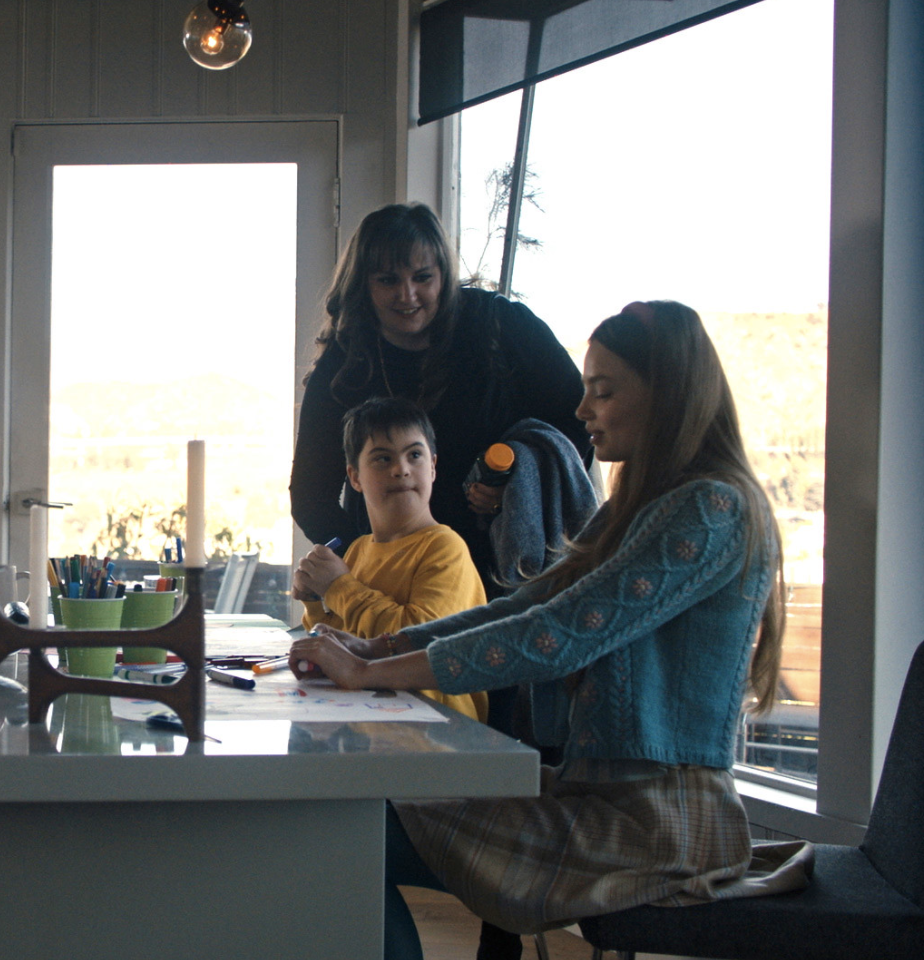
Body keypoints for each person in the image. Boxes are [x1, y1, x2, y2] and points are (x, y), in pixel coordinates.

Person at [289, 301, 809, 959]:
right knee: (353, 820)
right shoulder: (638, 507)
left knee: (350, 829)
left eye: (603, 391)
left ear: (668, 393)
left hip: (661, 830)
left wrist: (370, 670)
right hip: (603, 802)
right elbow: (528, 605)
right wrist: (380, 647)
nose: (581, 409)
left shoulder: (711, 508)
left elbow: (556, 634)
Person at [290, 202, 591, 600]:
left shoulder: (501, 327)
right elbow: (310, 495)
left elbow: (582, 418)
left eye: (422, 277)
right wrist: (365, 561)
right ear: (363, 285)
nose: (407, 295)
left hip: (512, 575)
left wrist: (522, 484)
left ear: (444, 275)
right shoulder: (345, 365)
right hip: (401, 590)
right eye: (388, 280)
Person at [294, 397, 487, 722]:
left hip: (438, 730)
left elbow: (414, 641)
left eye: (415, 455)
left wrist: (338, 587)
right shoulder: (358, 550)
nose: (401, 469)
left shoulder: (444, 547)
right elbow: (343, 647)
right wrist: (316, 600)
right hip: (373, 721)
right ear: (355, 477)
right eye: (383, 459)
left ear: (433, 466)